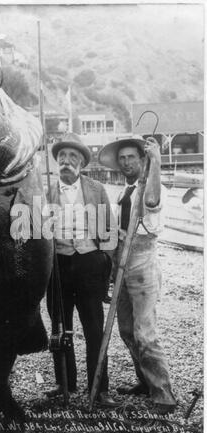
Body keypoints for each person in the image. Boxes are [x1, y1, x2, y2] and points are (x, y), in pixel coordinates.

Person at [99, 136, 176, 413]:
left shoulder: (153, 187)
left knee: (145, 332)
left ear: (142, 160)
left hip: (143, 260)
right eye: (122, 159)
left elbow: (152, 201)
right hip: (122, 260)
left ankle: (163, 395)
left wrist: (156, 161)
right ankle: (145, 381)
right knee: (127, 330)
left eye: (132, 157)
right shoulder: (124, 192)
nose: (126, 162)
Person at [46, 133, 118, 406]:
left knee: (93, 328)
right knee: (60, 328)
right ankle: (65, 383)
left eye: (72, 157)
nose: (66, 162)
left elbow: (110, 230)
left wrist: (105, 264)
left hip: (89, 264)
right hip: (59, 265)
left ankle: (99, 388)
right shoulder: (46, 192)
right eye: (62, 157)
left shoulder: (97, 189)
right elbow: (36, 234)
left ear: (82, 163)